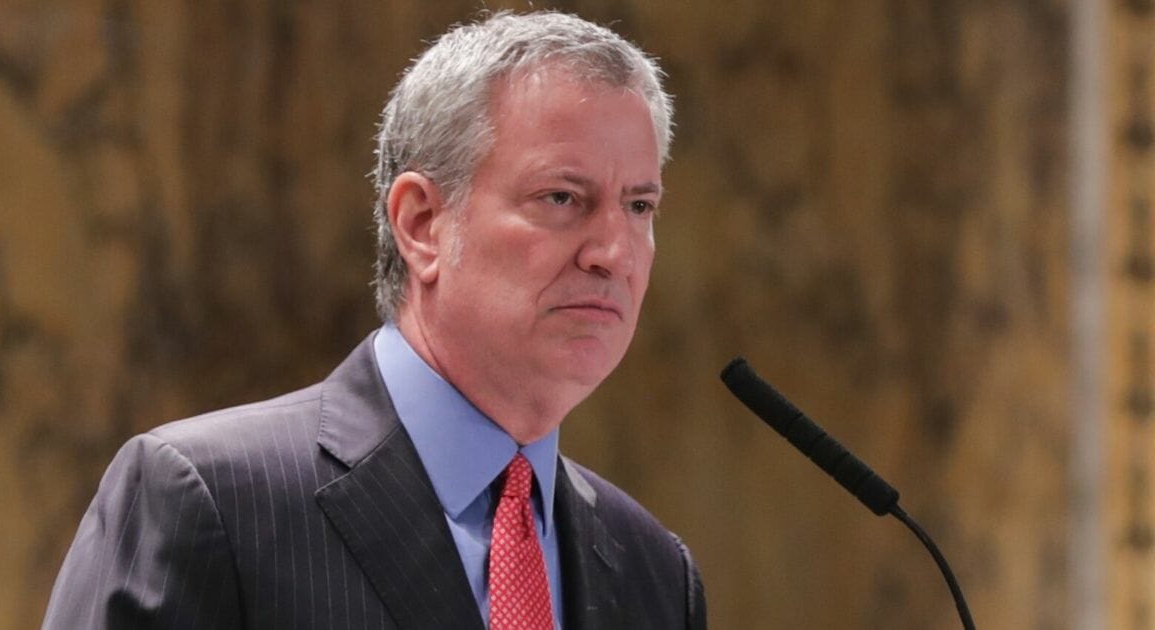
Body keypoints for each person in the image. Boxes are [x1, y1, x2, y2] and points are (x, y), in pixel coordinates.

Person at [43, 10, 706, 630]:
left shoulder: (655, 572)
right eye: (561, 198)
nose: (614, 253)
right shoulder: (207, 500)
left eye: (640, 206)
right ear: (421, 224)